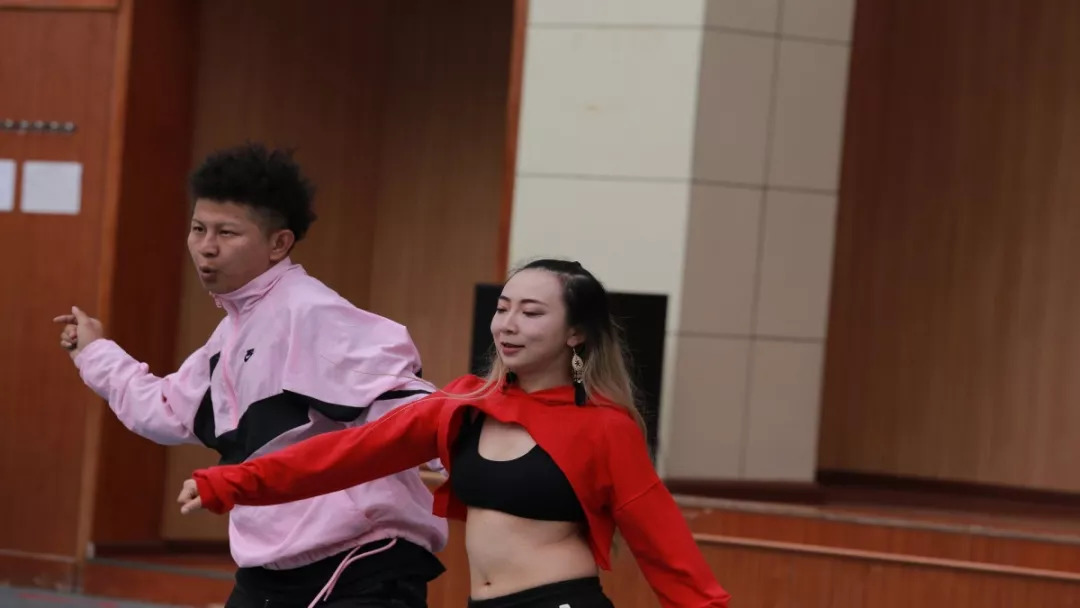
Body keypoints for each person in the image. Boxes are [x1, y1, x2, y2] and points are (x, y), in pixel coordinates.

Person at [177, 259, 731, 608]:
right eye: (503, 308)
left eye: (531, 313)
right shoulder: (466, 405)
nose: (508, 324)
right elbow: (348, 453)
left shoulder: (604, 427)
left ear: (575, 333)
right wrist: (233, 482)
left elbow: (664, 546)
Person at [54, 143, 448, 608]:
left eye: (227, 232)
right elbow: (164, 411)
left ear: (279, 244)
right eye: (198, 229)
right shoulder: (232, 333)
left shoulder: (312, 311)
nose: (207, 246)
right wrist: (94, 352)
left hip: (361, 559)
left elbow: (413, 406)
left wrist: (478, 455)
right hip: (273, 567)